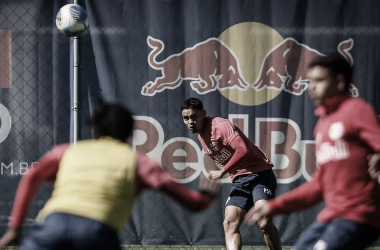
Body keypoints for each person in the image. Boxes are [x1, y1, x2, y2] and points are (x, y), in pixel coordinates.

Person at [0, 100, 220, 250]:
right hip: (97, 233)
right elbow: (194, 204)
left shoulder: (67, 151)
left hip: (52, 224)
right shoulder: (139, 163)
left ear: (95, 129)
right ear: (130, 132)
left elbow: (31, 176)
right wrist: (206, 196)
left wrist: (14, 228)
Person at [245, 53, 380, 250]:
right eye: (309, 81)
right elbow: (319, 185)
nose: (311, 87)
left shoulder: (357, 110)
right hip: (332, 216)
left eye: (319, 80)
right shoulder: (322, 125)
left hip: (360, 216)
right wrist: (273, 205)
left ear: (340, 82)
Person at [181, 98, 282, 250]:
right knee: (229, 223)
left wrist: (223, 171)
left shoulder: (220, 126)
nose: (190, 122)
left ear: (203, 114)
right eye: (186, 118)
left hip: (260, 175)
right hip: (240, 181)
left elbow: (242, 149)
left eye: (194, 116)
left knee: (264, 222)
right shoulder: (201, 135)